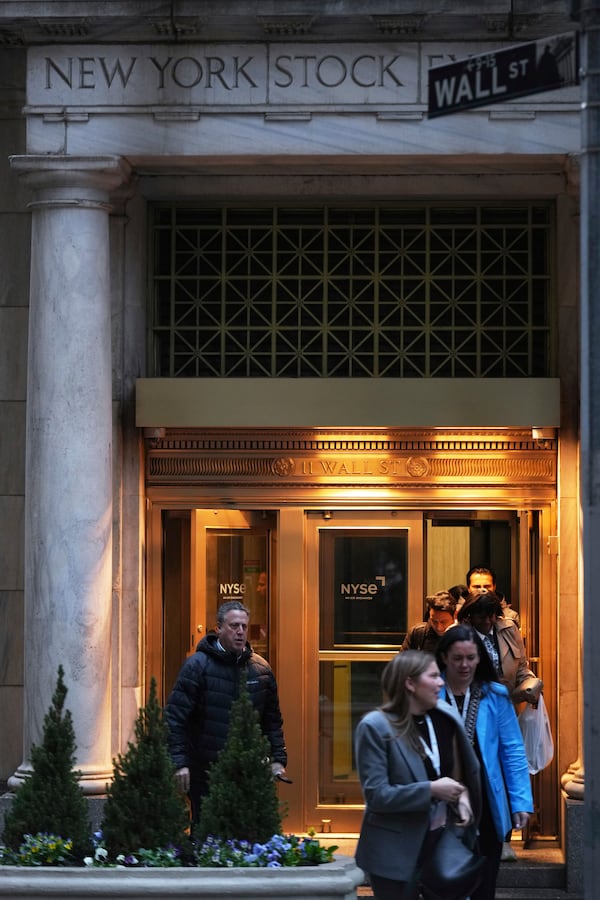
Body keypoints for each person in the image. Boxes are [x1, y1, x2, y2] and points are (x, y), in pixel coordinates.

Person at [355, 650, 482, 900]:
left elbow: (455, 775)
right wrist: (432, 790)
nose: (441, 682)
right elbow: (378, 796)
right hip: (395, 853)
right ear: (410, 683)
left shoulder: (444, 717)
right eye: (433, 676)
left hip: (442, 845)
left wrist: (461, 796)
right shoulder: (374, 726)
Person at [165, 599, 288, 821]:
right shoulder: (197, 666)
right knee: (207, 835)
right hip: (206, 771)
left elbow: (272, 721)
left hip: (247, 770)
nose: (240, 632)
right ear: (218, 628)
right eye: (233, 626)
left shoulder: (260, 669)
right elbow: (175, 718)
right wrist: (179, 762)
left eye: (244, 626)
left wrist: (278, 759)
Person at [436, 625, 534, 899]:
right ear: (444, 657)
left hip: (487, 799)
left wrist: (521, 801)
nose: (464, 665)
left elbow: (512, 750)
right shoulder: (431, 693)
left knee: (484, 879)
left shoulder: (495, 695)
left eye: (470, 657)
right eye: (457, 658)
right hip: (442, 798)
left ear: (480, 658)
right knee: (443, 881)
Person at [457, 591, 541, 705]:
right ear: (470, 616)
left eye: (490, 616)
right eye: (481, 617)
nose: (487, 622)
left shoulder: (509, 629)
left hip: (506, 705)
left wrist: (530, 684)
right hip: (473, 707)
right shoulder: (458, 635)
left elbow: (521, 668)